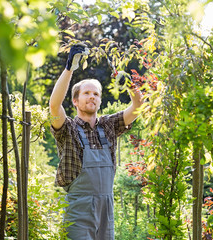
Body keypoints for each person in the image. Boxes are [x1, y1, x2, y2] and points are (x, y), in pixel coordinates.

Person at [49, 43, 143, 240]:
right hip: (78, 210)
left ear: (100, 101)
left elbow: (137, 105)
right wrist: (69, 68)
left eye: (96, 94)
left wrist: (126, 80)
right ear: (75, 101)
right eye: (86, 93)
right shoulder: (67, 129)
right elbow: (54, 104)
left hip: (105, 211)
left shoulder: (108, 126)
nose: (92, 97)